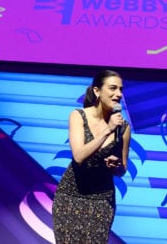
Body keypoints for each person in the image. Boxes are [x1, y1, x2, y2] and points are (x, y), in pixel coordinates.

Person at [52, 70, 131, 243]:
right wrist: (107, 130)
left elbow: (122, 169)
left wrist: (116, 167)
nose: (118, 94)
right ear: (97, 91)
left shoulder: (123, 128)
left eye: (121, 89)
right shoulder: (78, 116)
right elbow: (79, 156)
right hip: (70, 197)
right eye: (113, 88)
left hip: (101, 200)